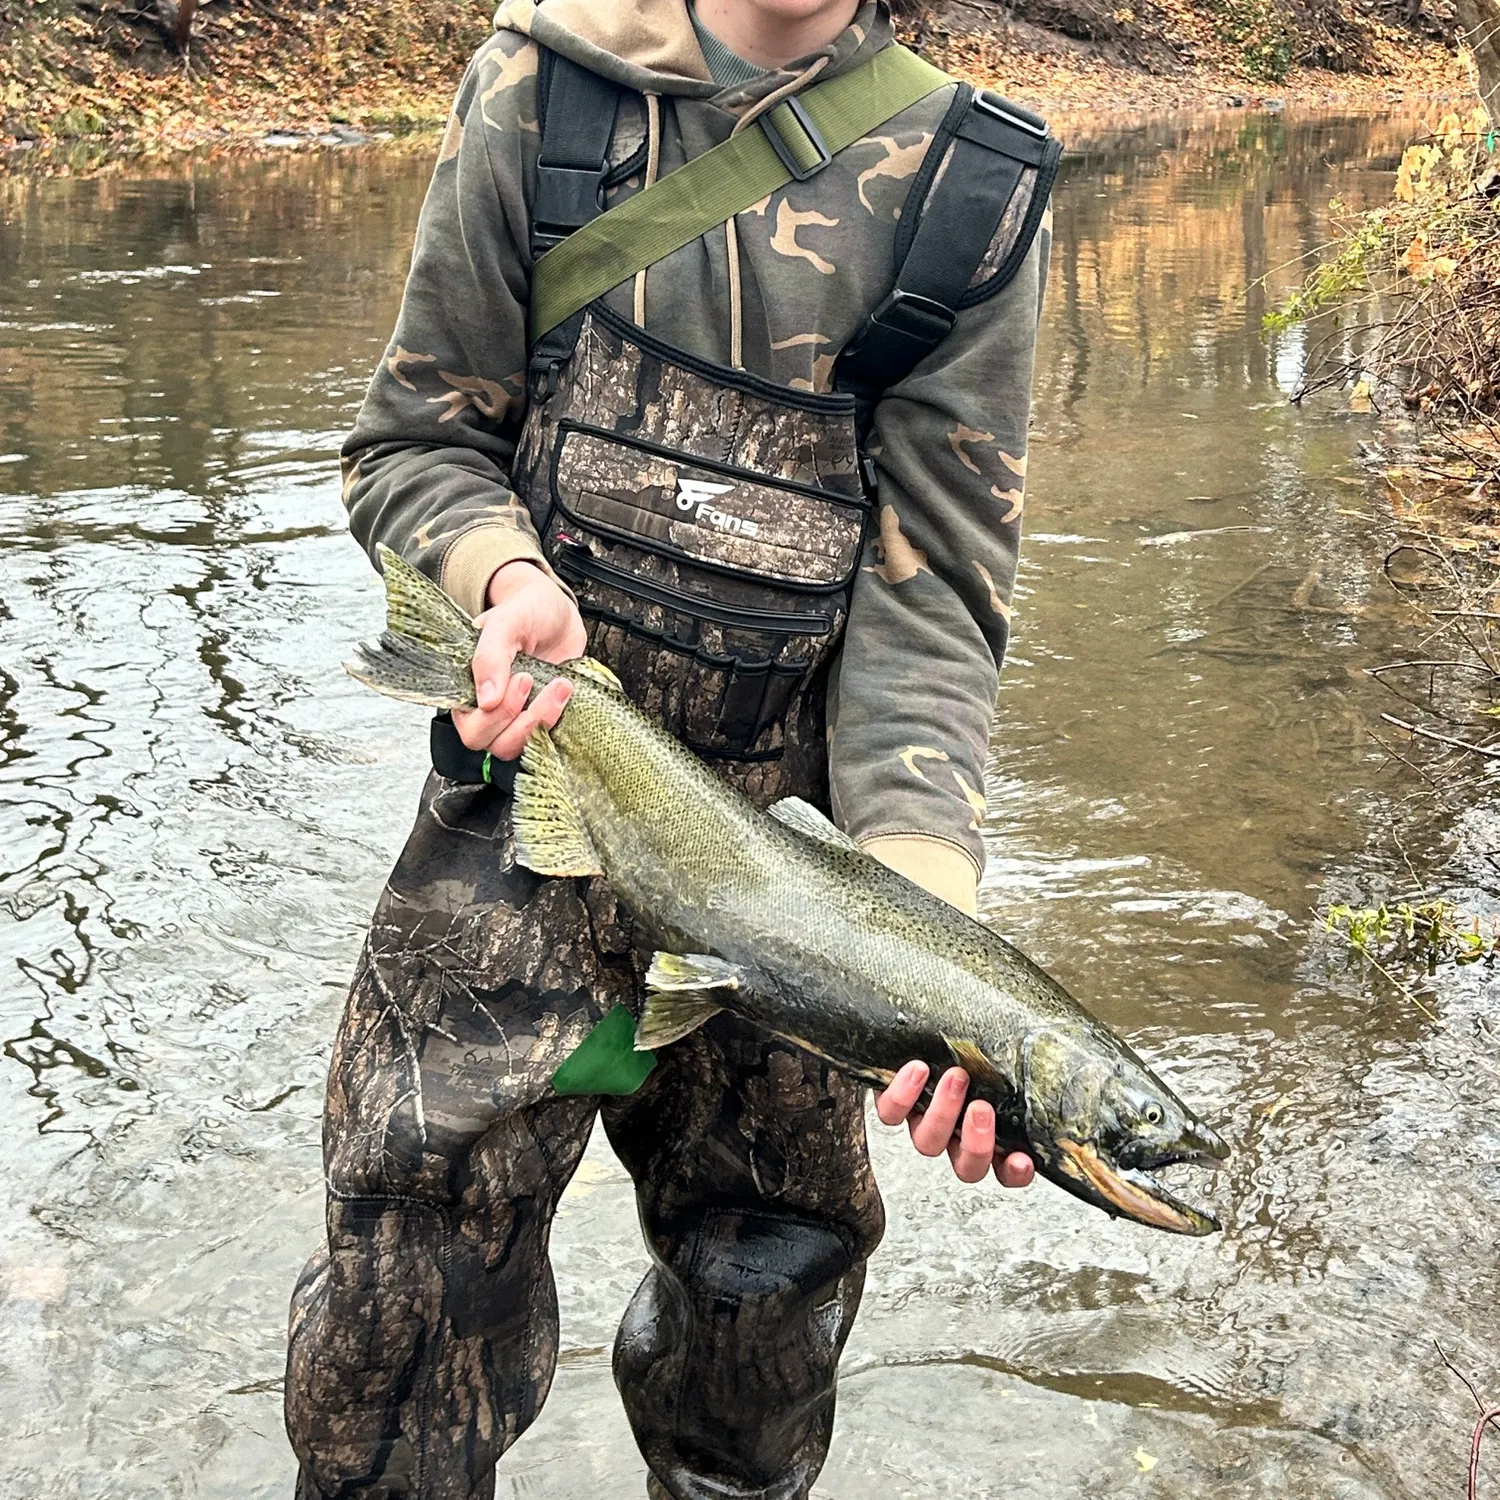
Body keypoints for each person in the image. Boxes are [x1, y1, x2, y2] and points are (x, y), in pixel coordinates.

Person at [285, 0, 1056, 1495]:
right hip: (522, 814)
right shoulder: (541, 89)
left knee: (760, 1339)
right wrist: (502, 579)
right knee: (398, 1336)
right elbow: (412, 443)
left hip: (797, 881)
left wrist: (916, 918)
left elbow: (938, 596)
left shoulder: (972, 183)